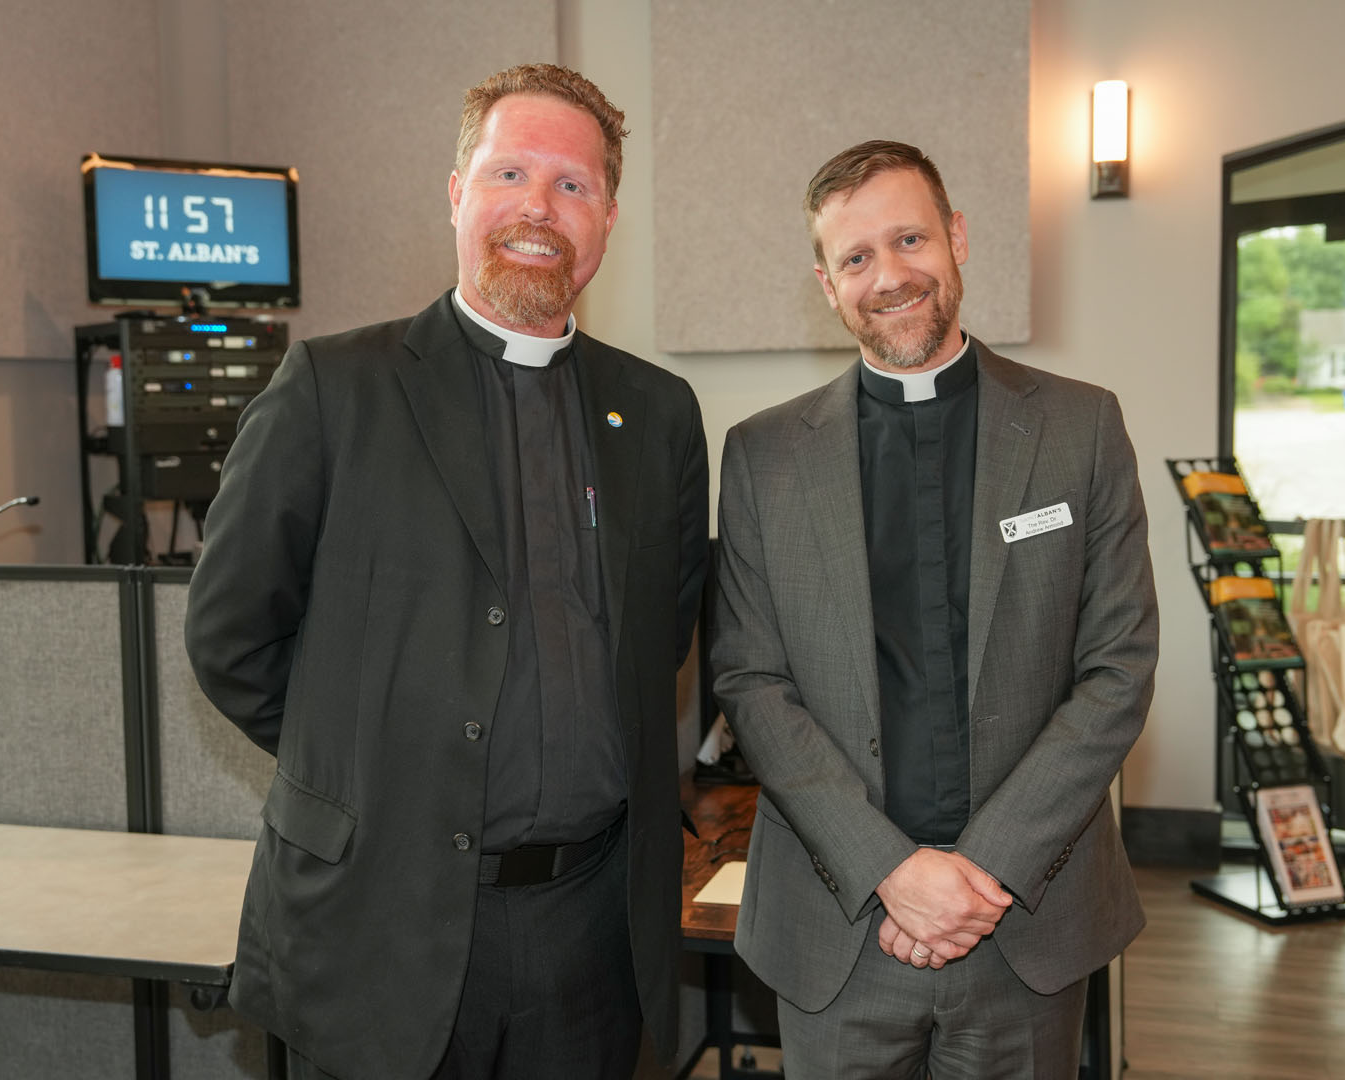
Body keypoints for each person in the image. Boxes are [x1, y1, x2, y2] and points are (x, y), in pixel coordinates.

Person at [185, 63, 708, 1080]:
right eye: (510, 172)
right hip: (384, 918)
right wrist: (373, 768)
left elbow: (663, 631)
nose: (538, 208)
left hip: (589, 935)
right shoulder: (335, 390)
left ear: (606, 218)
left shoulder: (657, 414)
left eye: (572, 184)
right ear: (457, 192)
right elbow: (229, 636)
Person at [709, 140, 1158, 1079]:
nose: (890, 276)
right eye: (856, 257)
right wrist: (893, 873)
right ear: (826, 285)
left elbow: (1117, 668)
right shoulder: (762, 458)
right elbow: (751, 681)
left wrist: (979, 875)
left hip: (1024, 927)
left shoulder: (1081, 427)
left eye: (909, 238)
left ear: (955, 238)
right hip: (841, 930)